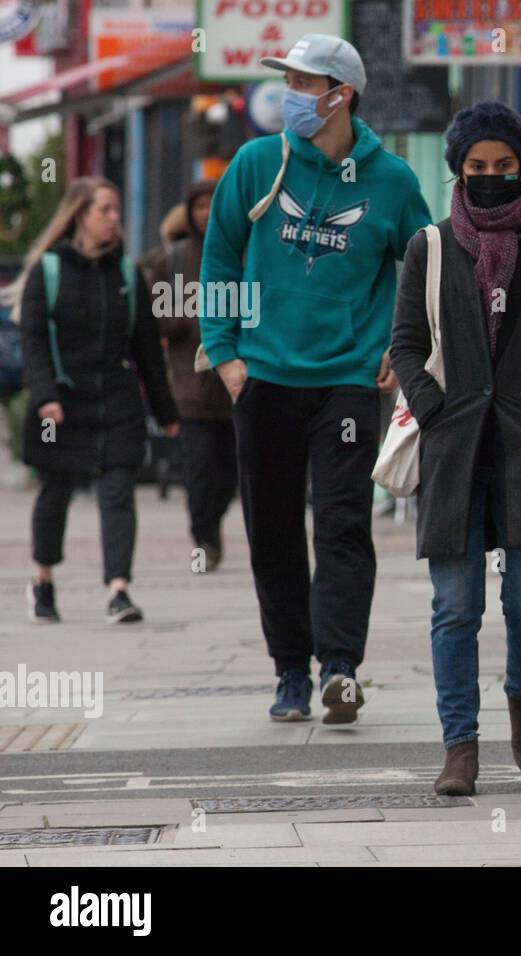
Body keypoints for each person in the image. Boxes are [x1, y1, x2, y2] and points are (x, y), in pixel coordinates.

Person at [199, 34, 432, 723]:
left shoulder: (391, 180)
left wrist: (403, 340)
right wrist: (226, 354)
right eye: (290, 82)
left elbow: (424, 265)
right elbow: (219, 262)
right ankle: (289, 672)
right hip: (263, 378)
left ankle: (340, 668)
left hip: (348, 383)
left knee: (340, 524)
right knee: (272, 531)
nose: (292, 95)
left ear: (342, 95)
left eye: (305, 83)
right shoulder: (253, 163)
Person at [389, 101, 521, 796]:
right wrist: (432, 406)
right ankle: (460, 746)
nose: (489, 177)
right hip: (454, 455)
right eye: (476, 168)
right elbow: (406, 345)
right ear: (458, 170)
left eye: (502, 167)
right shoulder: (429, 247)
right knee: (455, 607)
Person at [0, 177, 179, 623]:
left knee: (118, 493)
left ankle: (118, 589)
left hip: (116, 402)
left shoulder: (126, 273)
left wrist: (165, 411)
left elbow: (146, 350)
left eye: (117, 209)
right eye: (106, 210)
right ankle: (43, 580)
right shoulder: (49, 270)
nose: (115, 218)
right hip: (61, 403)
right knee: (55, 494)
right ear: (80, 215)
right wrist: (44, 398)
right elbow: (34, 339)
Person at [151, 180, 235, 569]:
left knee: (229, 473)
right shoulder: (175, 259)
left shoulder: (240, 254)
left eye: (211, 205)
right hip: (190, 389)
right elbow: (155, 323)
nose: (205, 212)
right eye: (198, 206)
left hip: (234, 387)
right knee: (199, 472)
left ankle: (213, 523)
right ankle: (203, 537)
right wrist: (183, 317)